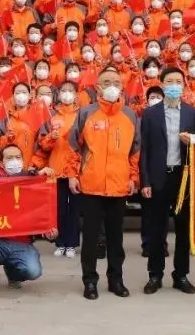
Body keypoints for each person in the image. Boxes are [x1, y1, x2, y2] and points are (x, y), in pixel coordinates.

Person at [66, 67, 140, 300]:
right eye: (106, 82)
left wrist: (133, 177)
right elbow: (73, 147)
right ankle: (89, 281)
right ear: (97, 87)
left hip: (119, 185)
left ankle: (116, 280)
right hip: (91, 185)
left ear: (122, 86)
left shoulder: (130, 115)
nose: (111, 86)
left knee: (116, 238)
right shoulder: (86, 113)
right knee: (90, 238)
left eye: (116, 82)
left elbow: (135, 151)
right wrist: (72, 175)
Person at [139, 67, 195, 295]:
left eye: (178, 81)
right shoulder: (150, 114)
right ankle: (155, 275)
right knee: (157, 230)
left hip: (183, 177)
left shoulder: (192, 113)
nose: (174, 85)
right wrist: (145, 181)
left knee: (183, 229)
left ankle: (181, 275)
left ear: (184, 85)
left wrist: (192, 141)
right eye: (170, 81)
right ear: (162, 84)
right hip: (158, 177)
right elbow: (144, 150)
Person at [0, 144, 58, 297]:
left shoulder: (32, 183)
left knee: (33, 271)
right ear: (1, 163)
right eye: (9, 158)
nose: (14, 161)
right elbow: (7, 183)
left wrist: (49, 232)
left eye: (18, 157)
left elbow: (41, 211)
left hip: (22, 243)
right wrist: (35, 175)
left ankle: (13, 274)